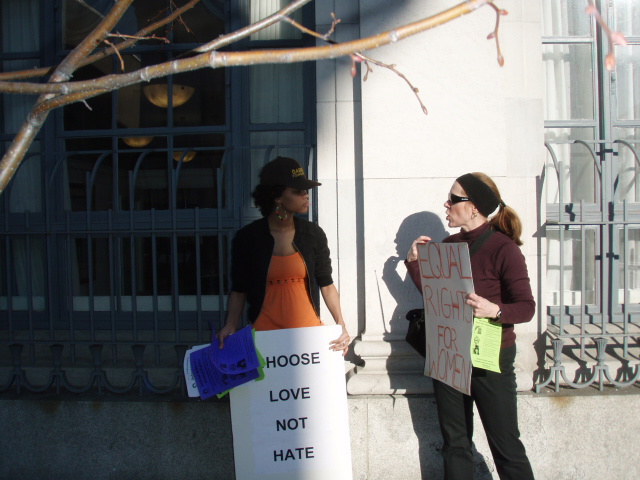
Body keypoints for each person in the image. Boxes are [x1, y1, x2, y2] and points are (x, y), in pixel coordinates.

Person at [405, 172, 535, 480]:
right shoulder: (447, 246)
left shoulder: (504, 249)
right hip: (449, 351)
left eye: (453, 198)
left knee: (505, 445)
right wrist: (413, 262)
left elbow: (527, 307)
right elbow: (437, 298)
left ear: (474, 207)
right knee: (455, 445)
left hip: (489, 355)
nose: (446, 204)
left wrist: (496, 310)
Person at [216, 156, 350, 355]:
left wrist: (341, 325)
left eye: (306, 191)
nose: (306, 196)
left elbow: (327, 284)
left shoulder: (313, 233)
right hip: (264, 334)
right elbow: (239, 288)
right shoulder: (249, 237)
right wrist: (231, 324)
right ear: (277, 196)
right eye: (297, 191)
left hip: (308, 333)